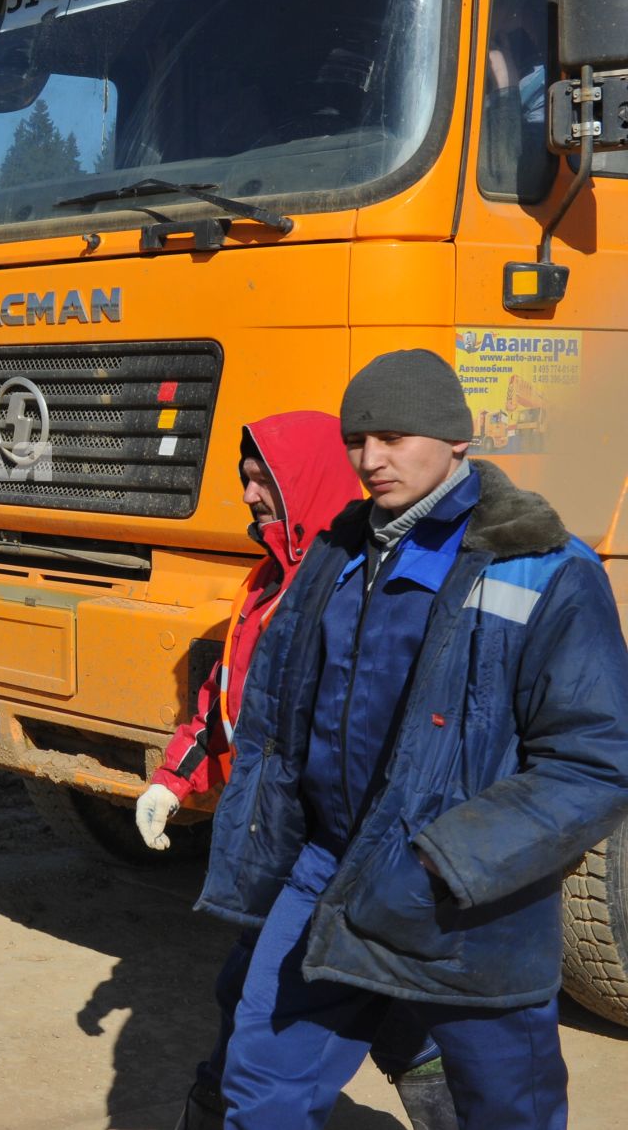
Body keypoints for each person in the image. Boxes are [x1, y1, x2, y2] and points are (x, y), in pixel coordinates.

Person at [198, 349, 628, 1128]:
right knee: (260, 1088)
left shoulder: (544, 568)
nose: (370, 460)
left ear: (456, 438)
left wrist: (449, 860)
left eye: (394, 437)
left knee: (507, 1111)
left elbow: (595, 762)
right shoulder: (336, 553)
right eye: (358, 439)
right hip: (329, 869)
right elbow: (277, 712)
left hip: (468, 897)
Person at [134, 412, 454, 1130]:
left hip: (336, 847)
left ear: (305, 478)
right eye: (246, 478)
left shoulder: (351, 587)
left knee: (272, 1007)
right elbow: (227, 699)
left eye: (264, 479)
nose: (250, 493)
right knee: (346, 1001)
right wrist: (174, 777)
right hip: (280, 835)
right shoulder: (266, 580)